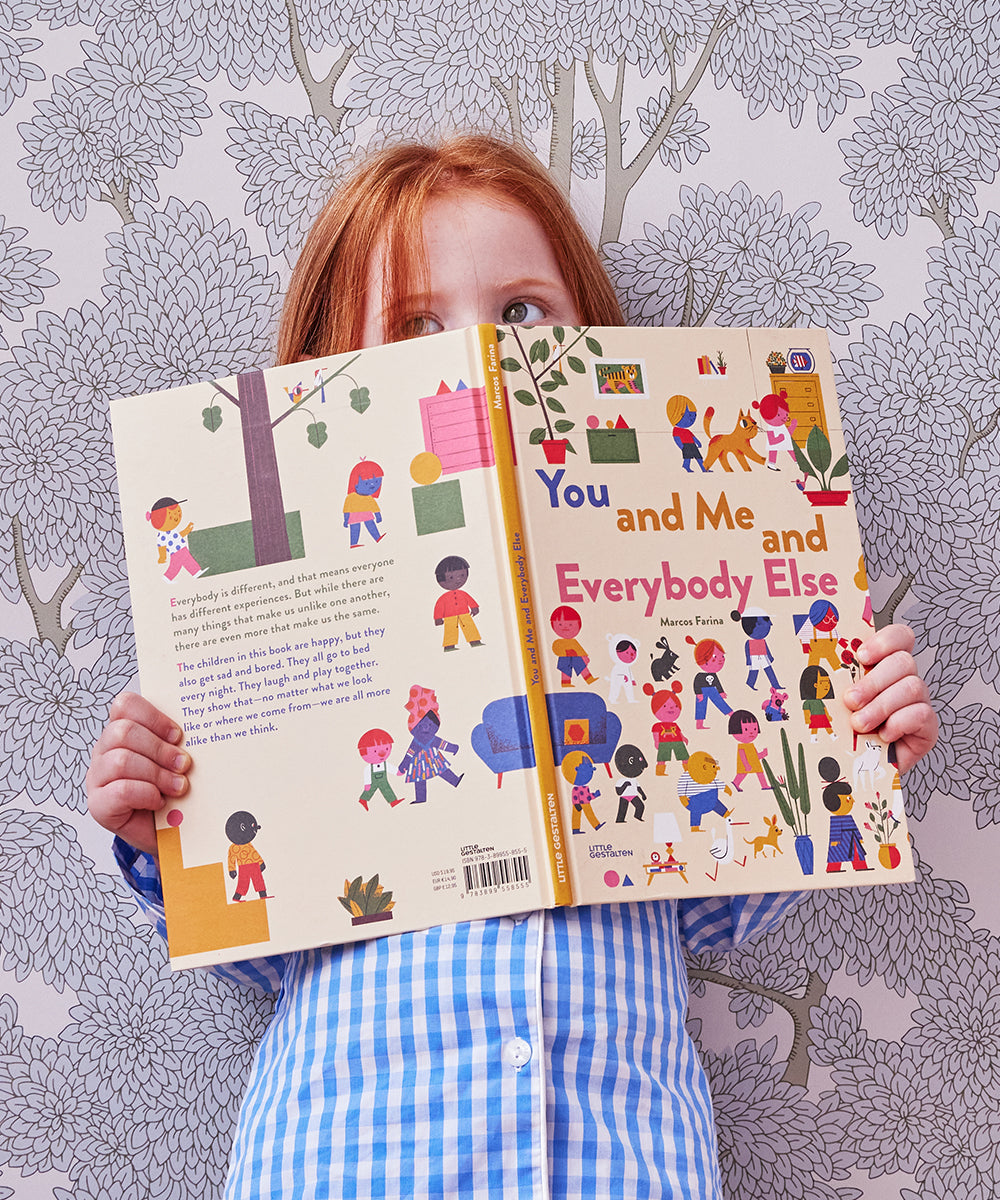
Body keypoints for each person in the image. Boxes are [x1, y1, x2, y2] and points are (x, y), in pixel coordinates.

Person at [86, 134, 939, 1200]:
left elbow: (711, 908)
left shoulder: (671, 594)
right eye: (414, 324)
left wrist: (846, 753)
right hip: (346, 1161)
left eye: (523, 312)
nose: (479, 354)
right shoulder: (270, 613)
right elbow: (259, 956)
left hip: (618, 1169)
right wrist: (156, 825)